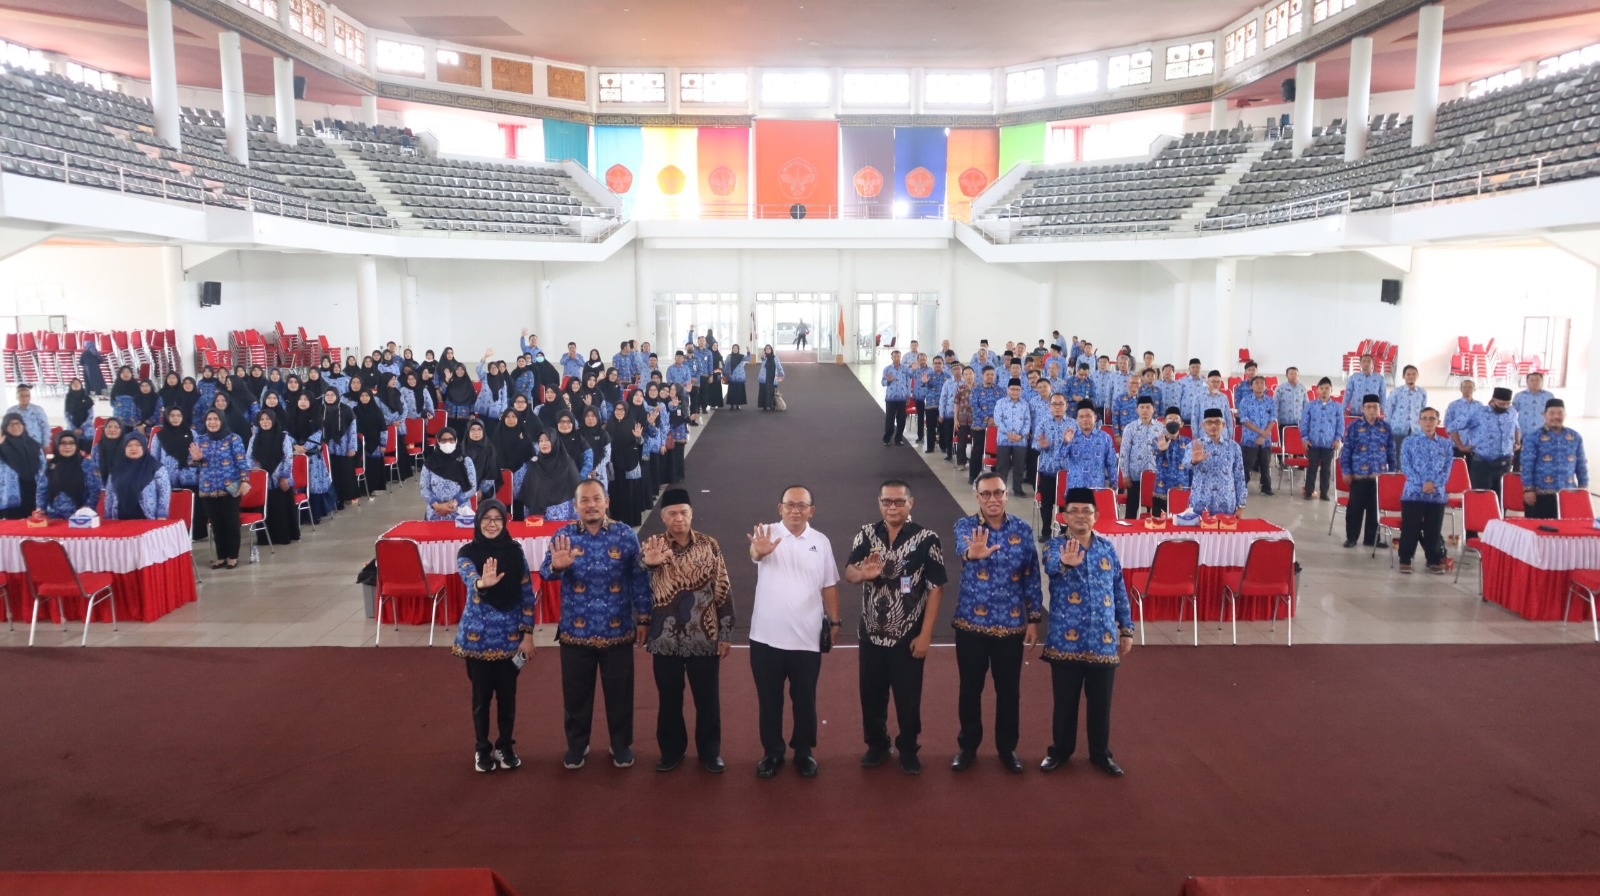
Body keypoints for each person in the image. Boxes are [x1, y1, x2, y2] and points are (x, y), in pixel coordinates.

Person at [541, 479, 650, 771]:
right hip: (576, 632)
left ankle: (621, 745)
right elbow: (545, 573)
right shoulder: (563, 535)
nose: (591, 505)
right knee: (576, 694)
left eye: (596, 499)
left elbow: (639, 578)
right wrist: (557, 567)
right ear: (575, 506)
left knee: (620, 693)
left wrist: (643, 617)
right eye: (584, 500)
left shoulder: (625, 534)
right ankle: (577, 745)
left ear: (607, 502)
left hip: (617, 630)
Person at [844, 479, 946, 775]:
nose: (892, 507)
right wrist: (863, 573)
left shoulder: (927, 538)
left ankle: (908, 747)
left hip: (908, 636)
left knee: (908, 697)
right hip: (871, 634)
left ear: (910, 503)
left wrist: (926, 634)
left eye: (899, 501)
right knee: (871, 694)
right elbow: (849, 573)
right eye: (887, 501)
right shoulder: (866, 534)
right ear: (879, 503)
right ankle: (877, 744)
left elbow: (936, 588)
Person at [748, 485, 842, 779]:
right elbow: (756, 552)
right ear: (780, 508)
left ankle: (804, 751)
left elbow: (829, 584)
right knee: (769, 700)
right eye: (790, 505)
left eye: (802, 505)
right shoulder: (766, 533)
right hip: (766, 637)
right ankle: (772, 752)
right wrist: (758, 551)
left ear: (811, 510)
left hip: (807, 637)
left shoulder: (821, 542)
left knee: (805, 700)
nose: (795, 510)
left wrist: (835, 622)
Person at [950, 472, 1041, 774]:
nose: (993, 499)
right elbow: (961, 547)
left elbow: (1031, 575)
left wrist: (1034, 618)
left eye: (998, 493)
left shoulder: (1023, 530)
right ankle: (968, 746)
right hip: (971, 625)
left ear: (1006, 494)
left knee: (1009, 691)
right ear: (977, 497)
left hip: (1011, 625)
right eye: (986, 494)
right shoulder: (965, 526)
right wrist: (970, 553)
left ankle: (1007, 748)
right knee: (970, 689)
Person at [1040, 487, 1134, 777]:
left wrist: (1126, 628)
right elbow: (1051, 567)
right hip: (1065, 641)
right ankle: (1060, 752)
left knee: (1101, 704)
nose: (1080, 516)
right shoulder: (1054, 547)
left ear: (1096, 516)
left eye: (1086, 511)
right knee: (1065, 703)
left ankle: (1100, 754)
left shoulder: (1107, 548)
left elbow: (1119, 589)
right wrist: (1064, 563)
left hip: (1103, 640)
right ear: (1064, 516)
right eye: (1074, 511)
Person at [640, 488, 733, 773]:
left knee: (707, 700)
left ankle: (709, 752)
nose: (678, 518)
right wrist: (649, 565)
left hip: (703, 637)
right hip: (664, 639)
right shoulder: (651, 545)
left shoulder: (709, 545)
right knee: (669, 699)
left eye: (683, 513)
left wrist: (725, 633)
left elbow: (723, 589)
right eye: (672, 514)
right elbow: (638, 587)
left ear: (691, 514)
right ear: (662, 517)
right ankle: (671, 751)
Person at [453, 499, 538, 773]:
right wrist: (481, 583)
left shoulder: (515, 552)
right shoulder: (467, 551)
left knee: (507, 696)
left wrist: (527, 634)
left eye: (497, 519)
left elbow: (526, 593)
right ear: (478, 521)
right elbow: (468, 576)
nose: (491, 524)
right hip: (477, 638)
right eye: (486, 518)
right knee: (481, 698)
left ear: (504, 522)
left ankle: (505, 745)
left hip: (509, 637)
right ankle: (482, 749)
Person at [192, 409, 249, 570]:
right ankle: (221, 556)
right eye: (209, 419)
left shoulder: (233, 438)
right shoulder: (201, 440)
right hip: (208, 488)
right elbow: (193, 462)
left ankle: (233, 556)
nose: (212, 422)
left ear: (222, 420)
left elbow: (241, 462)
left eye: (216, 419)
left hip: (231, 487)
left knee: (231, 523)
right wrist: (196, 460)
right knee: (216, 525)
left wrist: (245, 481)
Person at [1397, 408, 1453, 574]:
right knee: (1410, 528)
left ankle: (1433, 560)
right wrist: (1423, 483)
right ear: (1419, 421)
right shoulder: (1409, 442)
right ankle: (1406, 559)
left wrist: (1434, 484)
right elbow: (1406, 466)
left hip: (1436, 495)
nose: (1428, 422)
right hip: (1413, 493)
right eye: (1425, 419)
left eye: (1432, 419)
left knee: (1433, 529)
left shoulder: (1446, 444)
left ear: (1438, 422)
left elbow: (1447, 469)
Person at [1340, 395, 1396, 549]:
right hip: (1358, 475)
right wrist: (1346, 471)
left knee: (1374, 509)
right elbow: (1346, 451)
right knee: (1355, 509)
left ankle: (1371, 539)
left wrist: (1391, 474)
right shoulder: (1354, 427)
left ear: (1379, 409)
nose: (1372, 410)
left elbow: (1391, 452)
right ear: (1363, 409)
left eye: (1375, 407)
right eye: (1369, 407)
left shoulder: (1385, 427)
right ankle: (1351, 538)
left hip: (1379, 476)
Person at [1521, 399, 1587, 519]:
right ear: (1544, 415)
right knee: (1539, 532)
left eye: (1560, 413)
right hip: (1539, 495)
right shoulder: (1533, 437)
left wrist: (1583, 488)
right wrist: (1528, 490)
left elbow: (1581, 464)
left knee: (1566, 532)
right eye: (1552, 413)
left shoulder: (1575, 436)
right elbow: (1527, 465)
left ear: (1565, 415)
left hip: (1568, 494)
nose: (1556, 416)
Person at [247, 410, 300, 545]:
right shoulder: (255, 438)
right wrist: (259, 471)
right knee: (266, 509)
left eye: (268, 419)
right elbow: (249, 458)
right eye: (262, 419)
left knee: (281, 509)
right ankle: (265, 539)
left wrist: (283, 476)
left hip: (280, 480)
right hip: (263, 481)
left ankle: (284, 537)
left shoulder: (283, 437)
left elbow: (288, 458)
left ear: (274, 420)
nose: (265, 422)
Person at [1184, 408, 1247, 515]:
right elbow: (1185, 464)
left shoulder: (1234, 447)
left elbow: (1239, 477)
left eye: (1217, 422)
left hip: (1227, 504)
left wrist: (1241, 506)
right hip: (1200, 504)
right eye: (1209, 422)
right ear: (1203, 426)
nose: (1213, 426)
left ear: (1223, 424)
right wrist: (1193, 461)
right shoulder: (1194, 445)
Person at [103, 433, 170, 521]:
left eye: (138, 445)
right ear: (124, 448)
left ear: (144, 447)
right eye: (129, 445)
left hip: (147, 519)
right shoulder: (116, 470)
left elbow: (164, 493)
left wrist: (161, 515)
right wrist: (108, 517)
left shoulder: (156, 468)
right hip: (119, 520)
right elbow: (109, 495)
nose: (133, 448)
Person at [1032, 393, 1073, 540]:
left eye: (1060, 404)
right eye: (1054, 404)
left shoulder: (1073, 424)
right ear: (1049, 406)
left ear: (1066, 405)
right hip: (1047, 470)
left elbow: (1078, 447)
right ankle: (1046, 531)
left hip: (1067, 473)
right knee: (1047, 503)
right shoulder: (1043, 423)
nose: (1057, 407)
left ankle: (1064, 532)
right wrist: (1041, 445)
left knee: (1066, 504)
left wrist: (1069, 443)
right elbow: (1034, 444)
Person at [38, 432, 103, 520]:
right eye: (63, 443)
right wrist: (41, 509)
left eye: (71, 443)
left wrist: (87, 508)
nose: (67, 447)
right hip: (53, 517)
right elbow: (42, 490)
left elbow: (94, 490)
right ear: (57, 445)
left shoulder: (87, 464)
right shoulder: (50, 465)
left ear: (76, 445)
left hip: (81, 517)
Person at [1057, 400, 1118, 491]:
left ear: (1095, 417)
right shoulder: (1071, 436)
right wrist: (1066, 442)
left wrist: (1114, 483)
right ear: (1077, 419)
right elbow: (1058, 458)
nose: (1085, 419)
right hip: (1075, 488)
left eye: (1088, 416)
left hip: (1096, 488)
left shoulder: (1105, 438)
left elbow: (1111, 463)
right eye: (1081, 417)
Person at [1119, 396, 1163, 519]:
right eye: (1142, 407)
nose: (1145, 410)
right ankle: (1128, 534)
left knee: (1157, 509)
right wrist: (1125, 474)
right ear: (1137, 410)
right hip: (1135, 476)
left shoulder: (1160, 428)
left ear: (1153, 409)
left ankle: (1155, 532)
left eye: (1148, 407)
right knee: (1132, 508)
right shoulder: (1130, 428)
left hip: (1156, 476)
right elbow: (1124, 452)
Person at [1300, 378, 1343, 501]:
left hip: (1328, 443)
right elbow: (1304, 423)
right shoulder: (1310, 406)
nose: (1324, 391)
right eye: (1322, 388)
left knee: (1326, 469)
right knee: (1312, 467)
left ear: (1331, 390)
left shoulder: (1337, 407)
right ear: (1317, 390)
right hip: (1312, 443)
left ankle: (1324, 492)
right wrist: (1305, 438)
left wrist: (1337, 439)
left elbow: (1340, 424)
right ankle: (1309, 491)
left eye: (1327, 388)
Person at [421, 427, 477, 521]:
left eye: (451, 440)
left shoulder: (465, 461)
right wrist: (437, 506)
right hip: (436, 512)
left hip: (460, 511)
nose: (447, 443)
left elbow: (472, 487)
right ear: (438, 442)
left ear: (456, 441)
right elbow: (424, 489)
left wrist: (454, 504)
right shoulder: (429, 463)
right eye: (443, 440)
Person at [1237, 376, 1277, 497]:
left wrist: (1264, 435)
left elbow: (1273, 419)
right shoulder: (1245, 401)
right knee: (1247, 465)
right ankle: (1241, 487)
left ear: (1265, 386)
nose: (1259, 385)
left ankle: (1266, 487)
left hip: (1265, 440)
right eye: (1256, 383)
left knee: (1265, 464)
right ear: (1251, 386)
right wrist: (1260, 432)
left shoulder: (1270, 401)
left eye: (1262, 383)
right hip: (1250, 439)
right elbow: (1244, 420)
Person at [991, 378, 1033, 494]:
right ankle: (1000, 489)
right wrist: (1008, 434)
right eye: (1012, 389)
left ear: (1021, 390)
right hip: (1004, 439)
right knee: (1002, 466)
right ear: (1007, 389)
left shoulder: (1025, 404)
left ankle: (1018, 488)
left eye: (1017, 389)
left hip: (1020, 441)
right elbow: (997, 420)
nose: (1015, 392)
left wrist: (1020, 435)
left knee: (1019, 466)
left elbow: (1027, 421)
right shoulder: (1001, 403)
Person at [1151, 407, 1191, 516]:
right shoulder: (1156, 441)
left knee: (1181, 528)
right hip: (1161, 491)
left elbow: (1191, 467)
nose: (1173, 422)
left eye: (1176, 419)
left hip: (1182, 490)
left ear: (1181, 423)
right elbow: (1151, 464)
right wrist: (1161, 450)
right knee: (1159, 527)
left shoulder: (1188, 442)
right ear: (1163, 422)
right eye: (1170, 419)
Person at [1385, 365, 1428, 457]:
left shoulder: (1422, 392)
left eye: (1413, 374)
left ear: (1417, 376)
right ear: (1403, 376)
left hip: (1415, 429)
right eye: (1408, 374)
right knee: (1398, 455)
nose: (1411, 377)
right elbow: (1388, 410)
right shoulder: (1396, 392)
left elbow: (1423, 411)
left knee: (1413, 455)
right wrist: (1387, 428)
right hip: (1398, 429)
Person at [881, 350, 911, 446]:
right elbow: (883, 382)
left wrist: (908, 395)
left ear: (900, 357)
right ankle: (887, 438)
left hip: (902, 398)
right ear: (892, 357)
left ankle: (899, 439)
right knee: (890, 419)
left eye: (898, 356)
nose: (897, 358)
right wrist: (888, 381)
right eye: (895, 356)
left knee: (901, 419)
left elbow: (908, 383)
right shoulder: (887, 369)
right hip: (891, 398)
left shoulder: (905, 369)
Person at [1445, 380, 1480, 459]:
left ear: (1474, 389)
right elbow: (1449, 427)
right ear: (1460, 389)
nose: (1467, 389)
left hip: (1474, 447)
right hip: (1457, 446)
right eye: (1465, 387)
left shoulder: (1479, 406)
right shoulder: (1453, 405)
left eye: (1470, 387)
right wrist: (1460, 446)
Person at [756, 345, 784, 411]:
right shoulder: (764, 358)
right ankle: (764, 406)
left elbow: (779, 366)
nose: (768, 350)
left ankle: (772, 405)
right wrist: (762, 356)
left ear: (771, 350)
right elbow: (762, 365)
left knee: (772, 391)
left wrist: (782, 374)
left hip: (772, 377)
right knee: (764, 391)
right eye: (766, 349)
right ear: (765, 350)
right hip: (764, 377)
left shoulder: (775, 357)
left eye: (769, 348)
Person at [724, 344, 749, 410]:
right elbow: (726, 365)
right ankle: (732, 405)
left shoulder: (741, 356)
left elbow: (748, 358)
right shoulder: (729, 356)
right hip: (732, 377)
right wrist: (724, 374)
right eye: (734, 348)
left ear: (738, 349)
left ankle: (738, 405)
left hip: (740, 377)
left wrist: (748, 351)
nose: (735, 349)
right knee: (732, 391)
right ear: (732, 349)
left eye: (736, 348)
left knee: (739, 391)